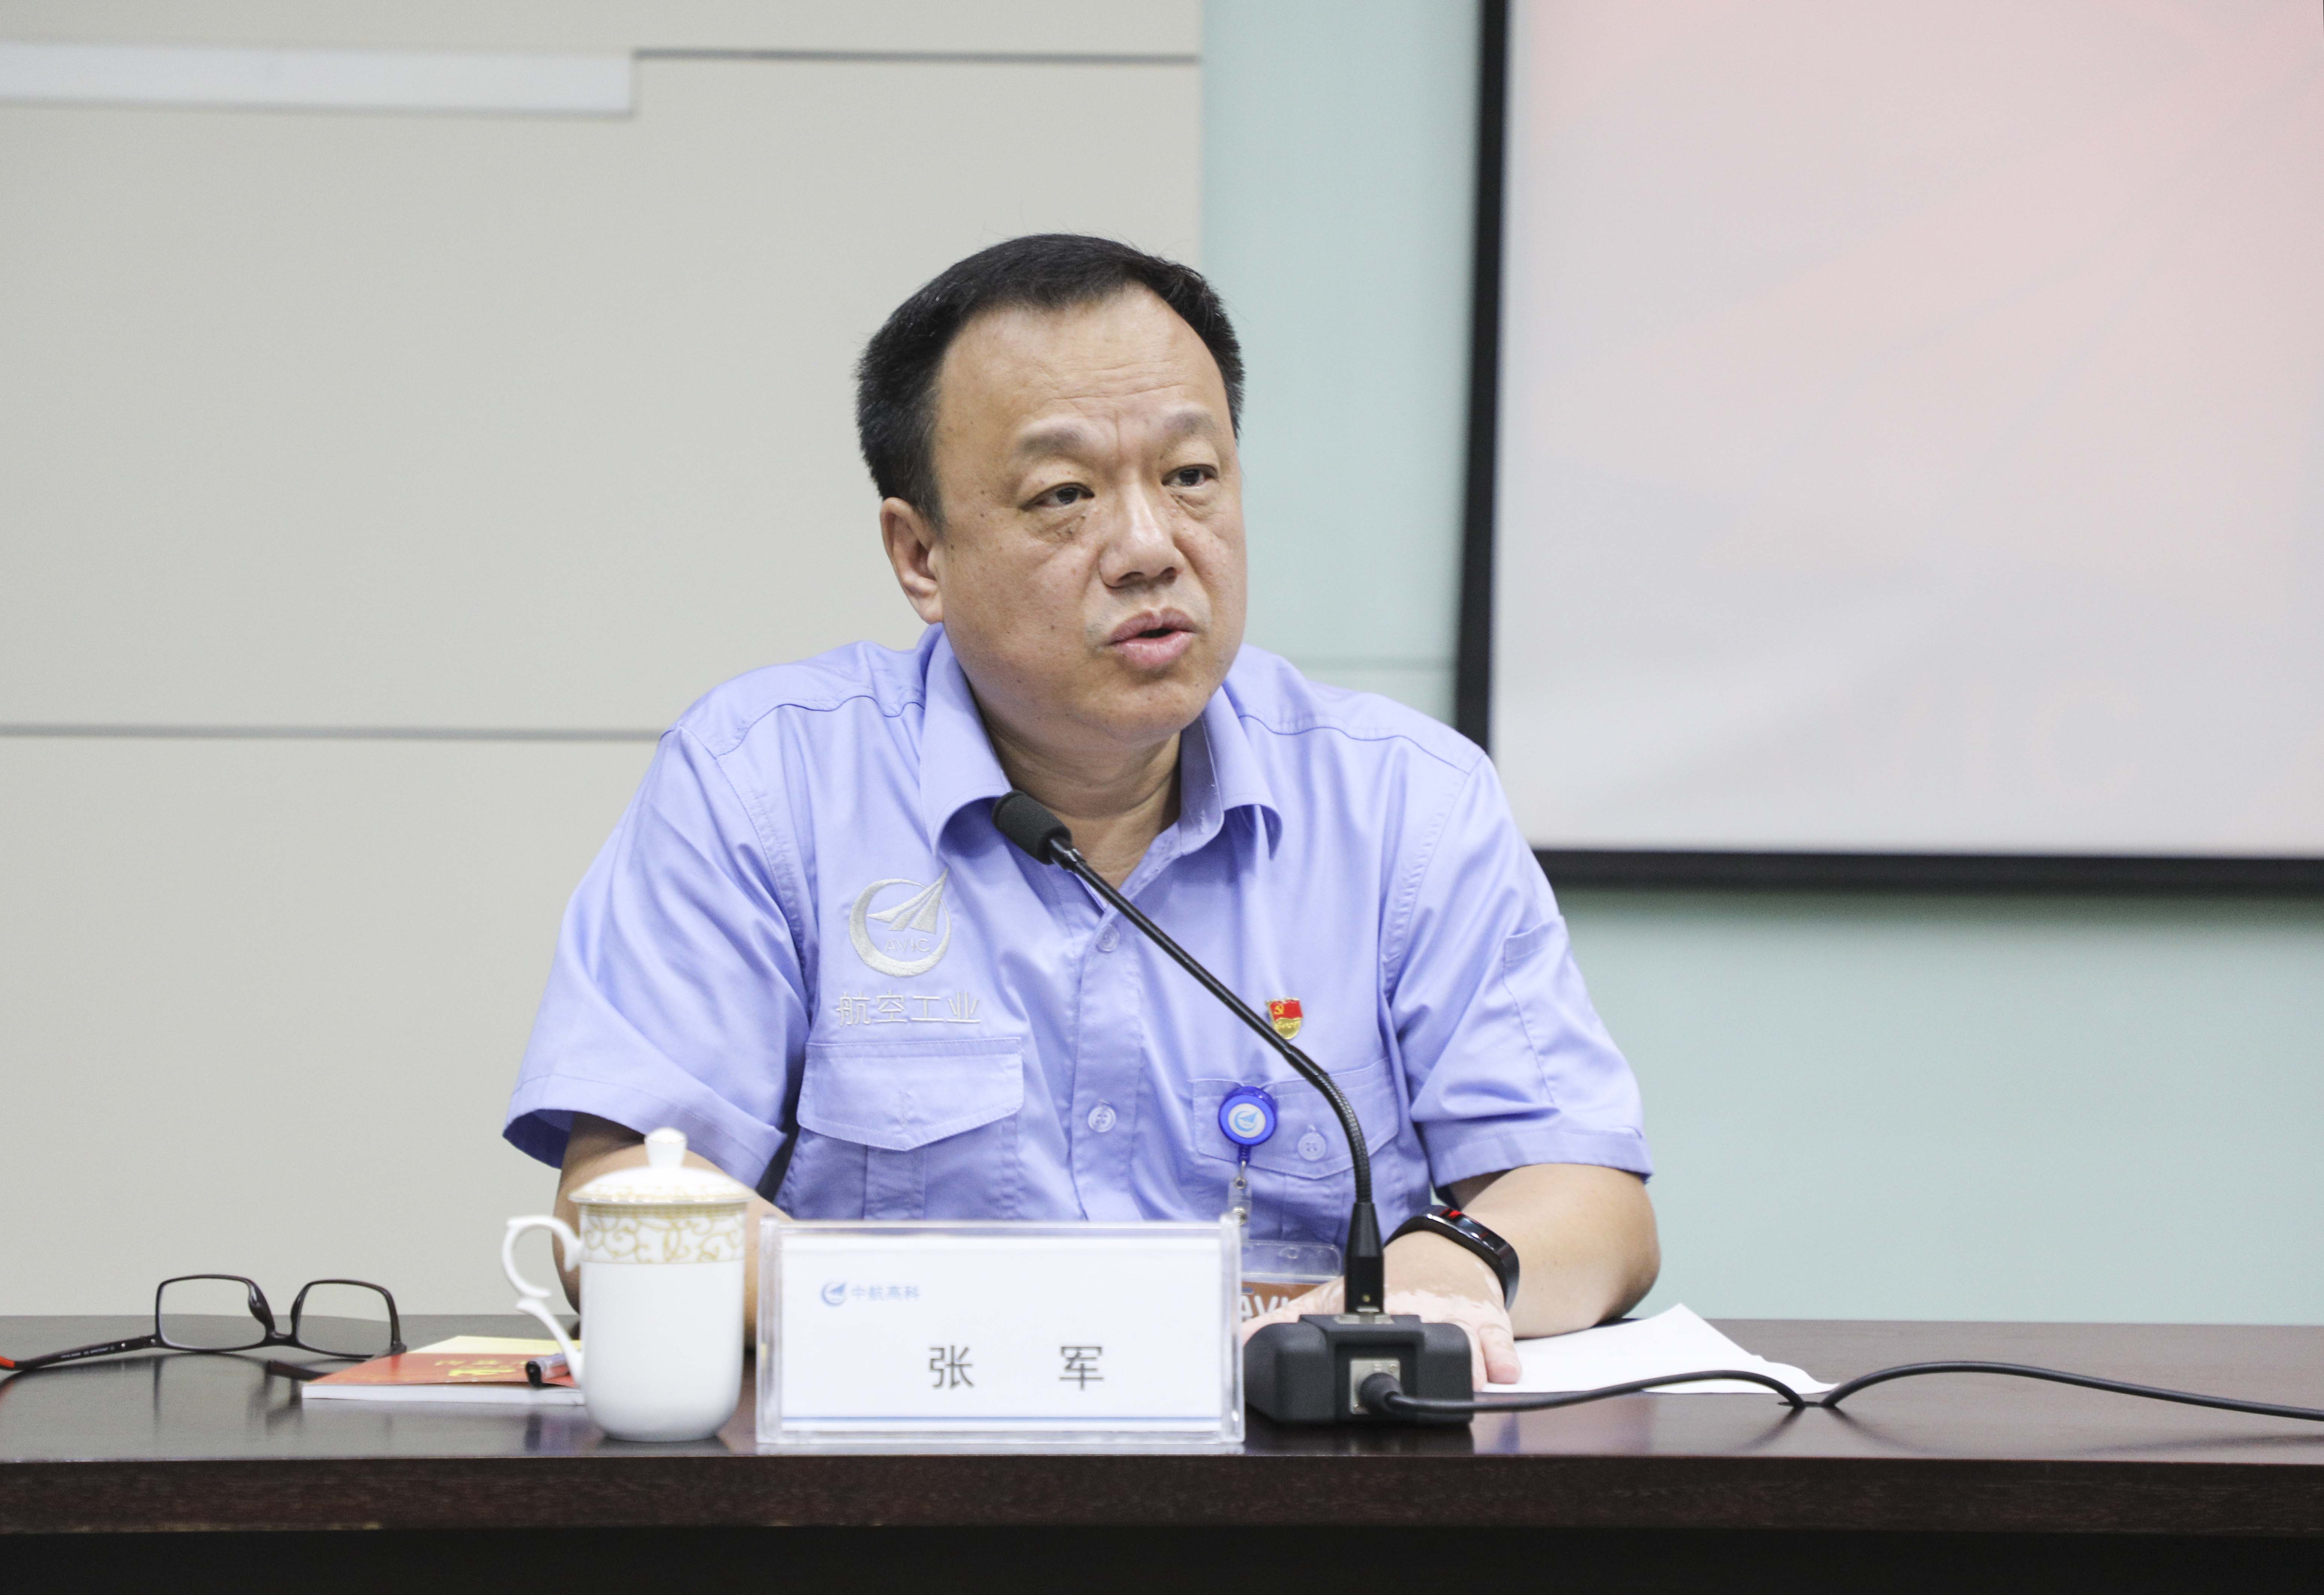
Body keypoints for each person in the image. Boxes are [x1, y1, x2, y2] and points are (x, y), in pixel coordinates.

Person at [503, 234, 1657, 1384]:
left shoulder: (1405, 802)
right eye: (1064, 495)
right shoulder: (764, 783)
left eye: (1191, 477)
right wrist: (986, 1322)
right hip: (897, 1471)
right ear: (921, 556)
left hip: (1297, 1478)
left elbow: (1588, 1199)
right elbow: (621, 1203)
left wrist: (1439, 1276)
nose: (1152, 548)